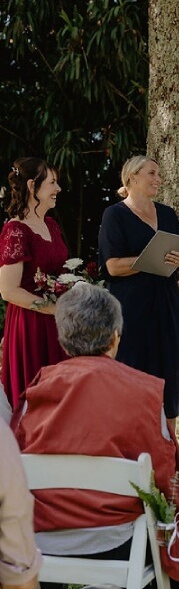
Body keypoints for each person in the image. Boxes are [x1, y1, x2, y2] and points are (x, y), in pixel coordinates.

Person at [13, 284, 179, 589]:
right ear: (115, 337)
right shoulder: (144, 392)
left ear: (63, 340)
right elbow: (168, 477)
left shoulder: (37, 391)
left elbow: (15, 465)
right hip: (117, 539)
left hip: (43, 539)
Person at [98, 156, 179, 429]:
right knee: (133, 370)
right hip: (132, 307)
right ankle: (132, 450)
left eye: (159, 174)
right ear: (132, 177)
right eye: (152, 173)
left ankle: (169, 454)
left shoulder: (168, 214)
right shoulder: (114, 215)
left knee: (170, 372)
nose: (158, 179)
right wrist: (149, 259)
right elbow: (113, 266)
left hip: (168, 303)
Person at [0, 417, 132, 589]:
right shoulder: (2, 439)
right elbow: (19, 587)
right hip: (111, 536)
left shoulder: (29, 404)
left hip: (45, 538)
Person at [0, 158, 68, 411]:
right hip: (30, 326)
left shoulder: (51, 225)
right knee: (35, 402)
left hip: (59, 324)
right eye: (52, 183)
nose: (58, 188)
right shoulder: (16, 231)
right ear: (32, 186)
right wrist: (53, 308)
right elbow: (8, 290)